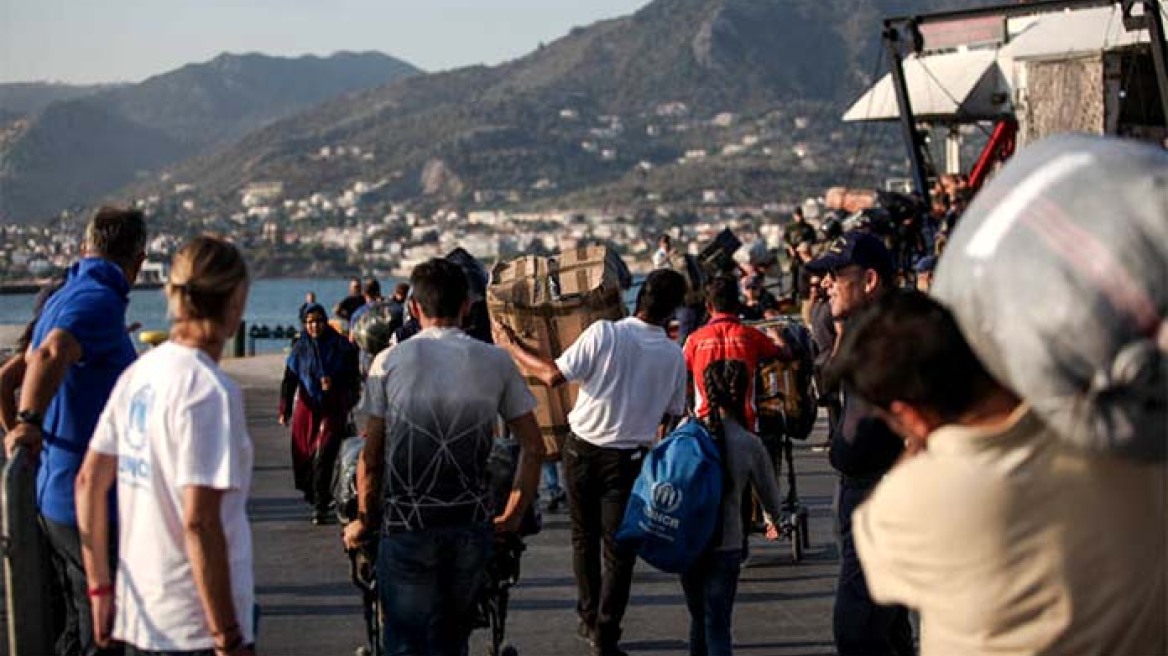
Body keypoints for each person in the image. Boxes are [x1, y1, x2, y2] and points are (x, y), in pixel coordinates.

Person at [832, 290, 1167, 655]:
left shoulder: (900, 509)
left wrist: (917, 444)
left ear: (910, 415)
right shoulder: (1122, 434)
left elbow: (883, 579)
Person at [343, 258, 544, 656]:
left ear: (414, 309)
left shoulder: (388, 362)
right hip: (470, 526)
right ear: (468, 306)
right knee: (453, 641)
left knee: (404, 641)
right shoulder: (496, 361)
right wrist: (513, 516)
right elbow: (534, 446)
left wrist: (364, 521)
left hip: (406, 525)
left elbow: (372, 455)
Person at [76, 236, 256, 656]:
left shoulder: (141, 372)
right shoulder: (209, 390)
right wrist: (227, 635)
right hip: (195, 625)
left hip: (142, 617)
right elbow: (200, 522)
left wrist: (100, 589)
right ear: (234, 302)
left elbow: (88, 481)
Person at [496, 268, 689, 656]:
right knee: (619, 552)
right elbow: (672, 414)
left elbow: (552, 375)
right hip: (629, 460)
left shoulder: (606, 333)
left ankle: (587, 615)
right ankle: (606, 631)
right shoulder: (672, 355)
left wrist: (510, 345)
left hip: (581, 450)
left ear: (639, 298)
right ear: (673, 311)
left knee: (583, 539)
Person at [4, 207, 147, 656]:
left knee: (72, 629)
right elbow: (52, 353)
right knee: (101, 634)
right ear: (139, 259)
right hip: (89, 503)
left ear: (87, 245)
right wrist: (26, 425)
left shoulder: (69, 294)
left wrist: (21, 433)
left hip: (59, 495)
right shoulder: (97, 301)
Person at [802, 231, 913, 656]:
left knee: (857, 632)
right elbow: (827, 376)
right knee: (889, 629)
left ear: (869, 280)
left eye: (835, 274)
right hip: (858, 489)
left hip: (878, 495)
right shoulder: (865, 331)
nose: (826, 283)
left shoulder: (896, 336)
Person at [682, 360, 785, 656]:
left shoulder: (687, 431)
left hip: (689, 542)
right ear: (744, 393)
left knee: (698, 619)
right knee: (718, 624)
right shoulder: (748, 442)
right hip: (726, 542)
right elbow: (769, 494)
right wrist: (773, 520)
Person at [279, 304, 360, 524]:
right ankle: (313, 494)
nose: (314, 326)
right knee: (303, 454)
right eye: (310, 322)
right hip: (307, 406)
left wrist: (336, 383)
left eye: (318, 321)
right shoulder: (300, 347)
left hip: (333, 407)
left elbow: (353, 378)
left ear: (325, 321)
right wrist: (285, 409)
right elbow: (290, 379)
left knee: (325, 454)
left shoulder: (341, 346)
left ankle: (320, 505)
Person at [685, 275, 786, 434]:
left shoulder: (694, 340)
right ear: (737, 307)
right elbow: (783, 353)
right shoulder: (752, 335)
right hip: (746, 424)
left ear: (708, 307)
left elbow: (683, 378)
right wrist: (775, 331)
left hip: (705, 425)